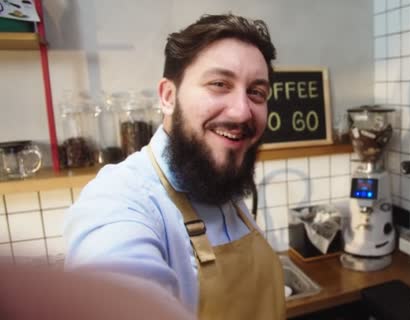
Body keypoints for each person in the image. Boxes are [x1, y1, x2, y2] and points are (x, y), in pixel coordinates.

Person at [64, 13, 285, 319]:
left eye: (256, 92)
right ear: (168, 97)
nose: (242, 112)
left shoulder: (214, 177)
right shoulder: (117, 201)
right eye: (219, 84)